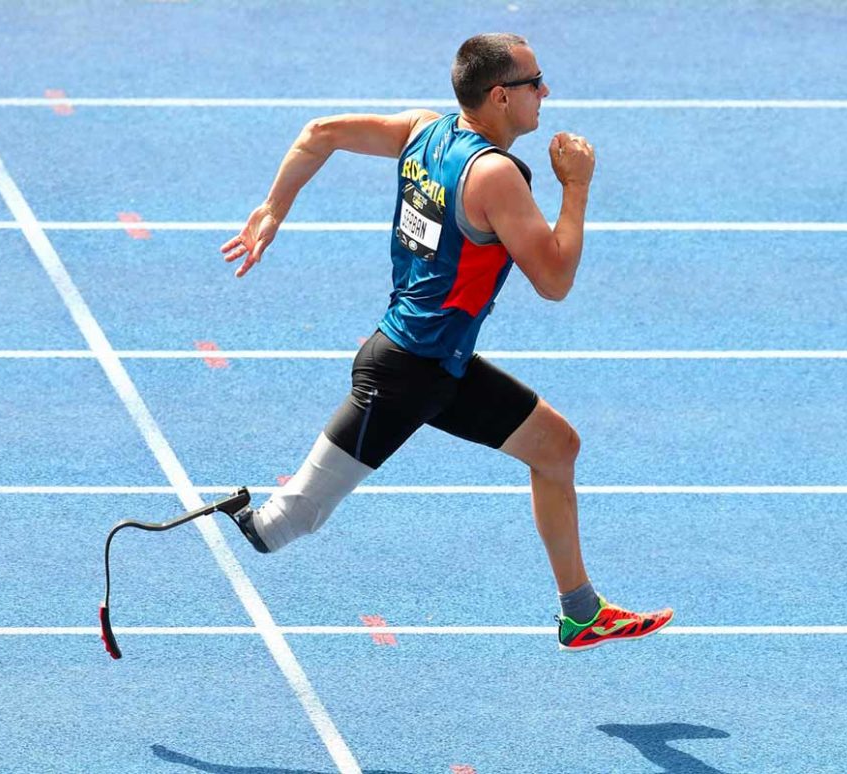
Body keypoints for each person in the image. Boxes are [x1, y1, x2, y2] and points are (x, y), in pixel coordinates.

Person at [220, 33, 672, 651]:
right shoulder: (494, 175)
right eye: (534, 82)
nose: (545, 92)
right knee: (282, 524)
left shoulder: (423, 132)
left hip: (438, 367)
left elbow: (321, 131)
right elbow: (555, 280)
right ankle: (161, 543)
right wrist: (577, 188)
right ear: (498, 96)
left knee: (557, 448)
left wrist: (275, 207)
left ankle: (580, 611)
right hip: (405, 376)